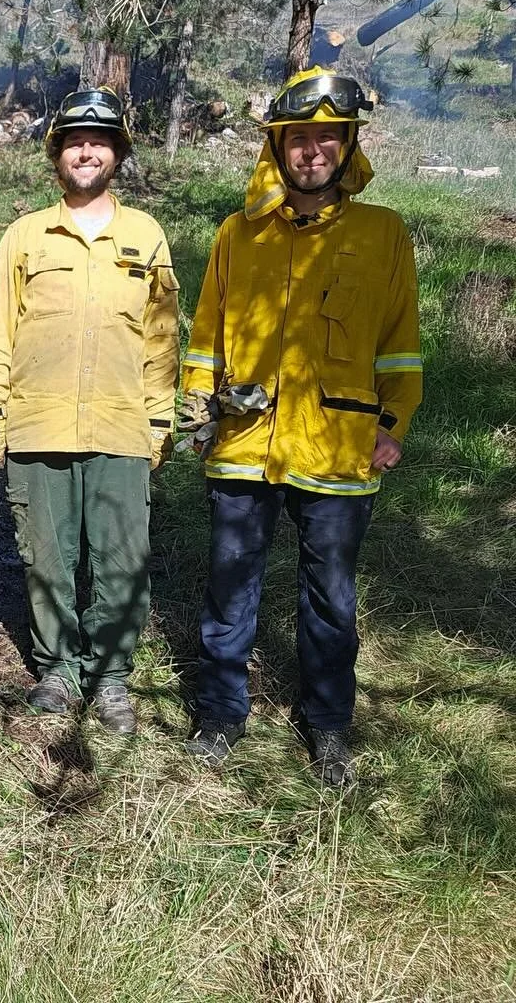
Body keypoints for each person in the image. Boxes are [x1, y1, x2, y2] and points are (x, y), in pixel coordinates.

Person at [179, 67, 422, 786]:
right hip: (245, 444)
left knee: (330, 599)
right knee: (229, 588)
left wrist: (393, 422)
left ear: (348, 148)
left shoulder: (383, 234)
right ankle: (221, 713)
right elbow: (205, 334)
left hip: (339, 449)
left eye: (327, 138)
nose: (312, 151)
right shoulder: (238, 232)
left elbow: (401, 341)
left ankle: (326, 725)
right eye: (298, 139)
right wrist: (196, 409)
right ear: (276, 147)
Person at [0, 87, 180, 732]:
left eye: (99, 141)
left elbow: (162, 339)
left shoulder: (145, 235)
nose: (86, 151)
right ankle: (59, 671)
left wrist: (159, 422)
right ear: (57, 154)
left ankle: (111, 677)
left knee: (120, 560)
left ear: (117, 153)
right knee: (47, 558)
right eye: (74, 142)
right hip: (38, 425)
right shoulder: (25, 236)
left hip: (120, 427)